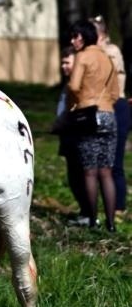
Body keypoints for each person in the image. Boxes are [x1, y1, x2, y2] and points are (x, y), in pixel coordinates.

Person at [68, 19, 118, 233]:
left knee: (89, 172)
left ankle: (92, 220)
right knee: (106, 172)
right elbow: (115, 92)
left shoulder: (83, 56)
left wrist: (79, 102)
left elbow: (74, 85)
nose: (72, 40)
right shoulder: (107, 58)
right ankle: (111, 223)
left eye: (75, 36)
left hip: (88, 116)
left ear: (84, 36)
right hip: (109, 115)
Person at [93, 15, 129, 215]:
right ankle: (105, 205)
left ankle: (119, 207)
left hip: (116, 107)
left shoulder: (111, 51)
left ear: (102, 34)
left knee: (115, 162)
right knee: (99, 162)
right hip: (102, 108)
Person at [52, 48, 91, 224]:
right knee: (73, 176)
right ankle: (85, 212)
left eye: (67, 62)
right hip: (67, 135)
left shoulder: (79, 84)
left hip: (76, 135)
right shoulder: (68, 84)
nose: (64, 66)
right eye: (62, 62)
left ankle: (89, 214)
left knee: (80, 176)